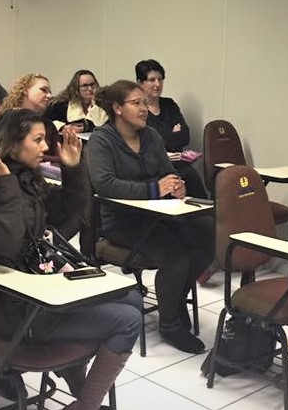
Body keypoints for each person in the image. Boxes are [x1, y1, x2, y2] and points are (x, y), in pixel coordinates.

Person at [0, 108, 141, 410]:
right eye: (37, 140)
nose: (45, 147)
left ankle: (80, 389)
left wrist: (72, 170)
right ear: (12, 144)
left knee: (132, 299)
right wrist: (5, 185)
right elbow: (5, 245)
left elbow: (70, 222)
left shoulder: (24, 178)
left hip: (42, 293)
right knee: (129, 320)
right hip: (21, 311)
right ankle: (86, 407)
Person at [86, 80, 214, 354]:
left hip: (159, 213)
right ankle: (169, 325)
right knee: (175, 256)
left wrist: (176, 185)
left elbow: (168, 172)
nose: (144, 108)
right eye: (136, 103)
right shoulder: (101, 140)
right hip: (123, 221)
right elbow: (105, 185)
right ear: (117, 108)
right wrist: (154, 189)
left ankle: (175, 300)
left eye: (145, 103)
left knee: (207, 233)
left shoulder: (151, 136)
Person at [136, 59, 207, 199]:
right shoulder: (138, 110)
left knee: (195, 184)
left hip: (179, 164)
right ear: (140, 82)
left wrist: (162, 137)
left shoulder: (169, 104)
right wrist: (170, 133)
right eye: (151, 80)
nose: (157, 84)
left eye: (160, 79)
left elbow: (185, 136)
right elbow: (148, 144)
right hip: (154, 168)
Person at [1, 73, 66, 158]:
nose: (49, 96)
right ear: (25, 91)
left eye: (50, 92)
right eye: (43, 90)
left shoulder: (49, 126)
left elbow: (57, 157)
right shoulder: (3, 120)